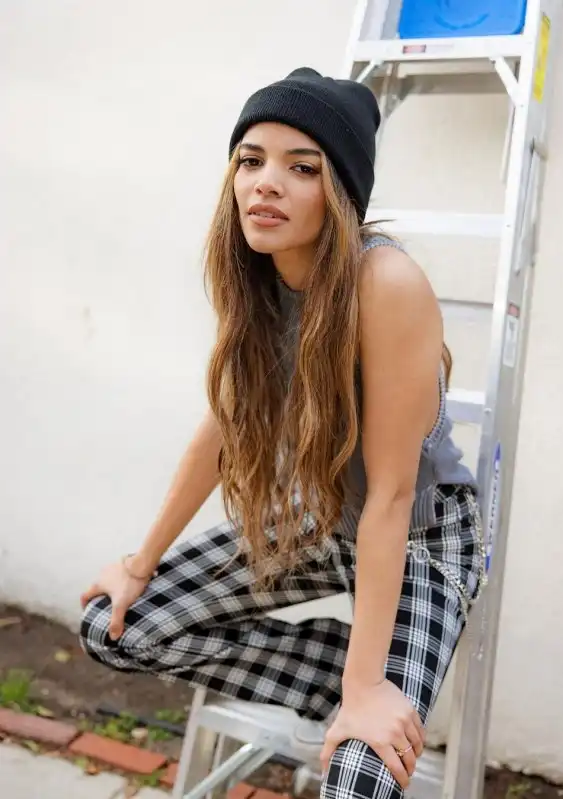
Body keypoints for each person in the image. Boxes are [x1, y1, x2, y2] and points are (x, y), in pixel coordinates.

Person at [79, 67, 486, 799]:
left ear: (340, 194)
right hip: (327, 516)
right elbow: (223, 427)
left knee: (360, 780)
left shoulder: (385, 284)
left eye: (302, 168)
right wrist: (140, 562)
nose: (265, 183)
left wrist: (368, 689)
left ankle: (370, 685)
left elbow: (392, 496)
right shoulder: (261, 279)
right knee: (115, 624)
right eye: (250, 160)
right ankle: (353, 676)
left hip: (421, 535)